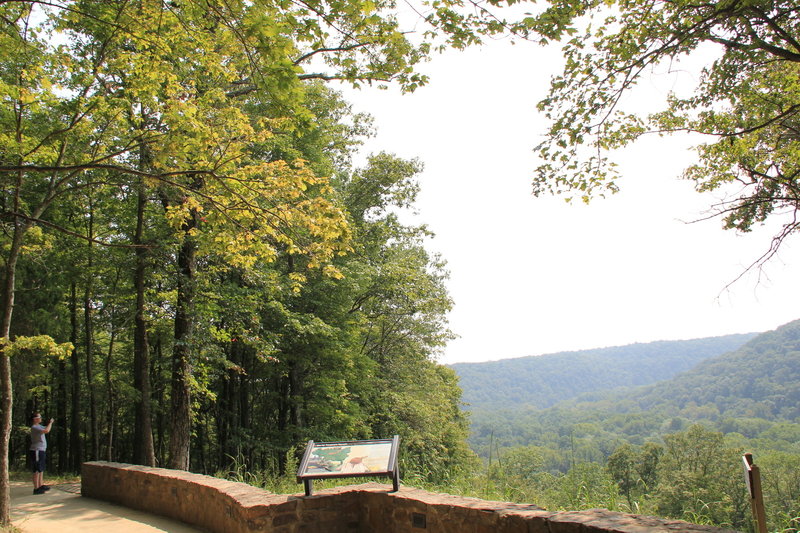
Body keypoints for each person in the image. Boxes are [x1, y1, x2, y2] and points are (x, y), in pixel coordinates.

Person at [29, 413, 53, 495]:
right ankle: (36, 488)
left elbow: (46, 428)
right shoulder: (34, 427)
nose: (41, 418)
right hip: (36, 450)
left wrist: (49, 423)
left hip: (41, 450)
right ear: (35, 419)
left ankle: (40, 485)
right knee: (36, 469)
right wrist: (50, 423)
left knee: (41, 468)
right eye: (39, 417)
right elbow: (46, 430)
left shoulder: (39, 426)